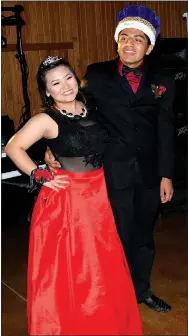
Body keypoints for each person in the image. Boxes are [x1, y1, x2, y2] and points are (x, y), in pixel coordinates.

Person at [45, 5, 175, 313]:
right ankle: (114, 293)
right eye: (124, 37)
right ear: (116, 41)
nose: (129, 44)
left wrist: (166, 174)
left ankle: (141, 290)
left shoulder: (164, 79)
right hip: (109, 170)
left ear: (150, 46)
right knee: (113, 236)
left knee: (143, 235)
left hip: (149, 172)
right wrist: (53, 147)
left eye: (138, 39)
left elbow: (167, 128)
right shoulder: (97, 74)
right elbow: (74, 113)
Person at [5, 56, 142, 335]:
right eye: (55, 83)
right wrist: (40, 174)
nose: (64, 86)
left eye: (68, 77)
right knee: (76, 268)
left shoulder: (92, 106)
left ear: (76, 78)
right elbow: (14, 147)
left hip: (102, 192)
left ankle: (106, 321)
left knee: (104, 265)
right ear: (47, 91)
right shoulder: (45, 119)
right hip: (69, 201)